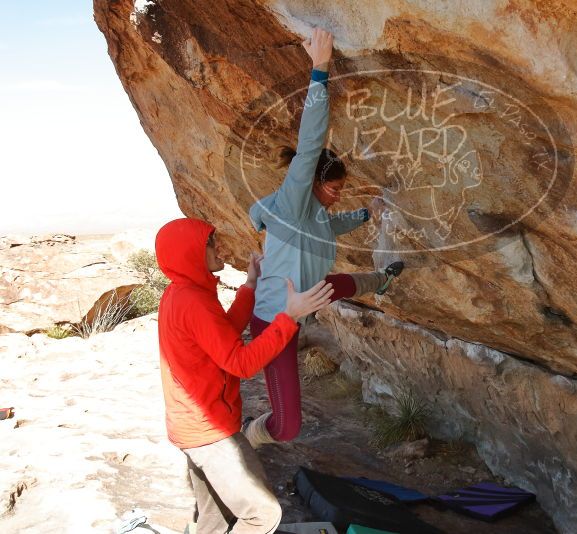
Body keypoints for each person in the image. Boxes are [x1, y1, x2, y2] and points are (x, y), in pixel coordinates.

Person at [244, 28, 403, 448]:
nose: (338, 197)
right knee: (288, 427)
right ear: (310, 182)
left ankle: (383, 278)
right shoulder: (293, 203)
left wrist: (369, 212)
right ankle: (254, 433)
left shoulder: (314, 215)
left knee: (338, 284)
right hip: (272, 323)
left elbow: (334, 226)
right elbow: (310, 143)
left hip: (302, 306)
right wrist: (319, 68)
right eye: (334, 189)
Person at [155, 217, 334, 534]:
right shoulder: (193, 301)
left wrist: (250, 285)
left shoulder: (180, 294)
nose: (218, 246)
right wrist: (289, 317)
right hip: (209, 434)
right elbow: (241, 363)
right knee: (262, 515)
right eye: (211, 242)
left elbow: (221, 336)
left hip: (191, 428)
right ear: (191, 253)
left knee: (215, 518)